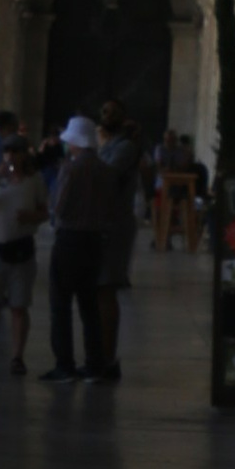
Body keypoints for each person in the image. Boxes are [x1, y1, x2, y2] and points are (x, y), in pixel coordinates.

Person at [0, 128, 47, 373]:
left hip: (21, 250)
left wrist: (31, 216)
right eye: (6, 151)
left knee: (18, 306)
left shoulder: (34, 180)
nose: (10, 156)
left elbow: (45, 212)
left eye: (16, 151)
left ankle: (17, 357)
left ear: (25, 154)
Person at [44, 114, 106, 380]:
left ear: (75, 143)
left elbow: (59, 205)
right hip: (95, 241)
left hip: (70, 239)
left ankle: (65, 364)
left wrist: (52, 216)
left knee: (61, 303)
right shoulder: (105, 169)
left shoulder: (71, 168)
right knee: (90, 306)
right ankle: (94, 364)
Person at [89, 99, 140, 377]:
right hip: (99, 224)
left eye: (111, 112)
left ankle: (107, 359)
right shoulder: (107, 147)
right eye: (103, 110)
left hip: (115, 225)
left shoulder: (125, 148)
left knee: (106, 289)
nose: (105, 115)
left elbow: (103, 176)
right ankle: (97, 354)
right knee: (97, 291)